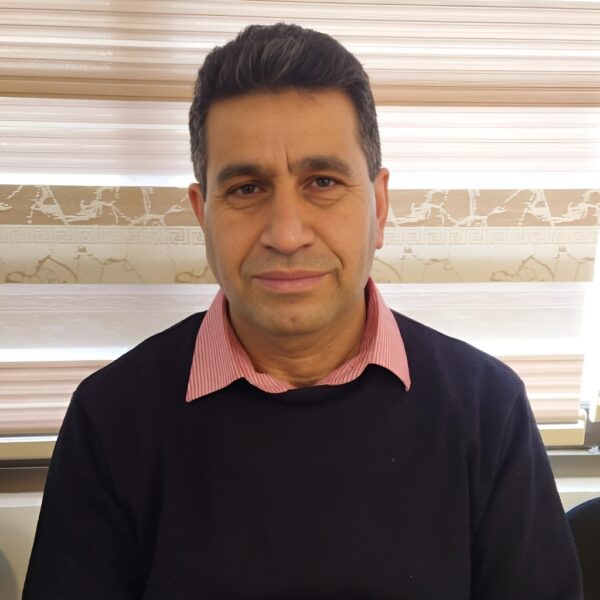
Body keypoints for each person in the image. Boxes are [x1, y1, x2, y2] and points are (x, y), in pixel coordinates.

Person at [23, 23, 582, 600]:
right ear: (202, 213)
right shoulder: (110, 419)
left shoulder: (488, 410)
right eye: (246, 188)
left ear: (379, 205)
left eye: (322, 181)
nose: (286, 234)